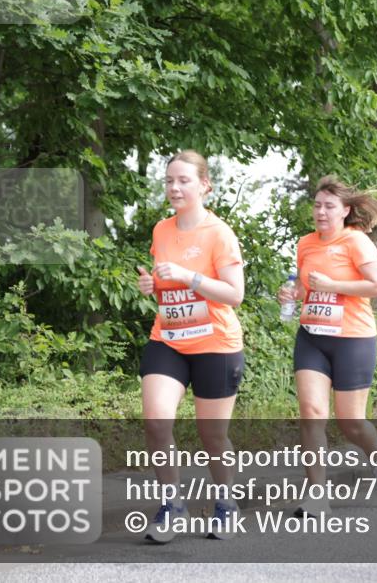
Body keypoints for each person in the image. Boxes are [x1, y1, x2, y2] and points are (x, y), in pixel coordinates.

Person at [136, 150, 246, 542]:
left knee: (212, 435)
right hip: (168, 339)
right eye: (169, 180)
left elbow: (235, 294)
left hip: (215, 343)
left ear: (204, 185)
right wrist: (152, 285)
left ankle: (226, 505)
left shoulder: (219, 233)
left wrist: (188, 276)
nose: (175, 187)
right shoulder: (161, 230)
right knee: (156, 421)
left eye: (183, 180)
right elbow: (166, 287)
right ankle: (173, 507)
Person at [277, 175, 377, 517]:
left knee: (350, 422)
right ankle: (317, 495)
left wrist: (332, 285)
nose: (321, 212)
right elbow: (305, 287)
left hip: (353, 339)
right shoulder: (305, 243)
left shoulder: (356, 242)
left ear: (345, 211)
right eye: (317, 205)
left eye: (329, 206)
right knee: (312, 413)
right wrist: (292, 293)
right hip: (312, 338)